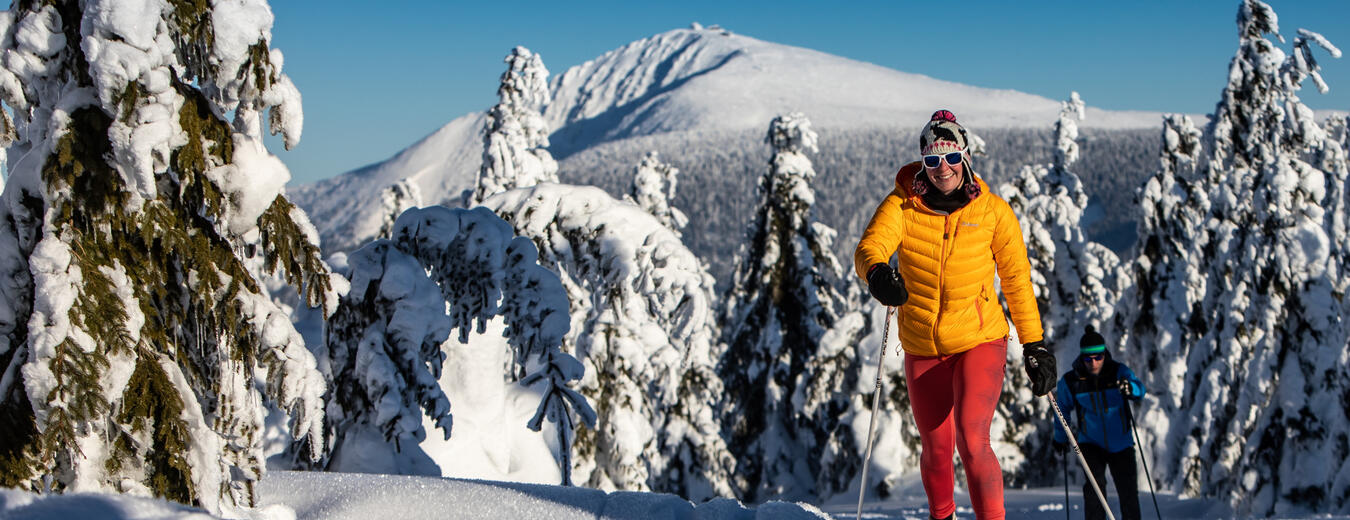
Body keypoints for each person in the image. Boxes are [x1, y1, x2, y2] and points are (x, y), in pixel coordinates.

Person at [855, 109, 1056, 520]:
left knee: (971, 435)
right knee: (936, 447)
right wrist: (877, 274)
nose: (941, 168)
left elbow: (1016, 279)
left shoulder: (993, 212)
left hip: (979, 340)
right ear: (922, 163)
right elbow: (869, 247)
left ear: (965, 157)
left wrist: (1033, 343)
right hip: (922, 345)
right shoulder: (902, 205)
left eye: (949, 157)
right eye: (931, 160)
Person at [1053, 325, 1145, 520]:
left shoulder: (1118, 373)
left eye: (1098, 357)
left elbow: (1139, 390)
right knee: (1094, 492)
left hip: (1121, 443)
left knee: (1128, 494)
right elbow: (1062, 409)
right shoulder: (1072, 381)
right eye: (1088, 358)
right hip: (1091, 443)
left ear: (1104, 355)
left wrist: (1131, 390)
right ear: (1082, 357)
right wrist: (1060, 437)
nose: (1093, 363)